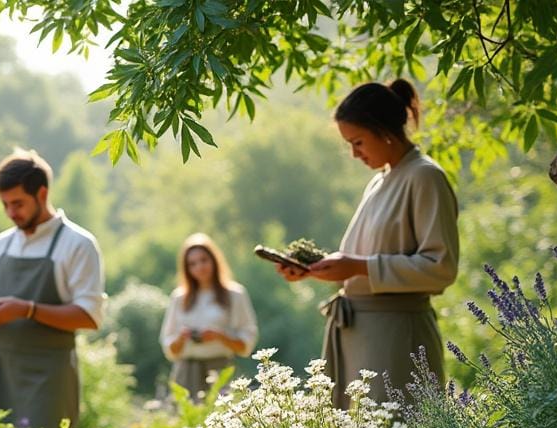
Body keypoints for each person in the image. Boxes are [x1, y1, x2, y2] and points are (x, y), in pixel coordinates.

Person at [273, 79, 459, 407]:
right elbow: (362, 260)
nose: (354, 154)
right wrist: (315, 270)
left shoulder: (424, 177)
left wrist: (357, 267)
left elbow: (440, 268)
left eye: (358, 142)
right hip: (359, 334)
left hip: (396, 337)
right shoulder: (379, 182)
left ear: (384, 130)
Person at [0, 149, 105, 428]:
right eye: (5, 205)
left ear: (41, 193)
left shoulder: (78, 244)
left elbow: (90, 317)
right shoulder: (1, 244)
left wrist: (27, 309)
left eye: (18, 203)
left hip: (47, 377)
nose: (11, 213)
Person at [159, 233, 258, 399]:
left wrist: (219, 336)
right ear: (187, 268)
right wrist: (182, 338)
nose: (199, 267)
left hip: (220, 371)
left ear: (214, 260)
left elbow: (246, 343)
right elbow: (169, 347)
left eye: (204, 260)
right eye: (192, 263)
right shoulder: (179, 298)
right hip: (186, 373)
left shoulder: (235, 294)